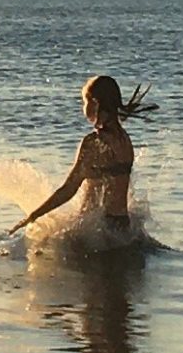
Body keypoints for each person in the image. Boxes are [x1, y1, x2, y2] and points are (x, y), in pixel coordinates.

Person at [9, 73, 154, 241]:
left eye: (84, 102)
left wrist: (33, 215)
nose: (83, 107)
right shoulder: (124, 139)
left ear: (95, 103)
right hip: (122, 225)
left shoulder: (94, 142)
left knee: (42, 245)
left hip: (100, 229)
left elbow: (69, 189)